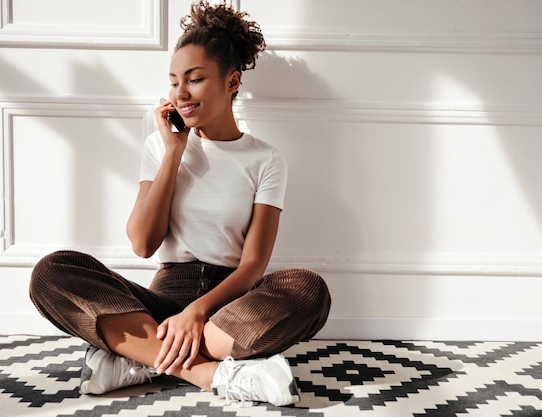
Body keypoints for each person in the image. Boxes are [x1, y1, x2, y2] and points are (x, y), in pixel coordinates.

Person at [29, 1, 331, 408]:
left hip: (229, 306)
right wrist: (174, 153)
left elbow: (253, 265)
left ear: (232, 81)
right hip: (165, 295)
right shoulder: (161, 146)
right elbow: (142, 243)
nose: (181, 92)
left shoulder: (266, 159)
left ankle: (140, 358)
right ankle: (208, 372)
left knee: (310, 290)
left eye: (195, 79)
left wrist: (199, 313)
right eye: (174, 82)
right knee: (52, 272)